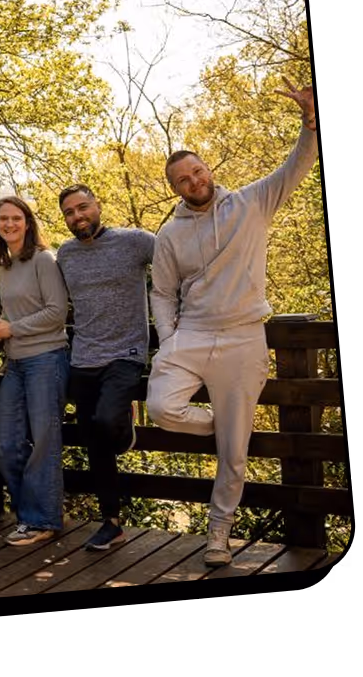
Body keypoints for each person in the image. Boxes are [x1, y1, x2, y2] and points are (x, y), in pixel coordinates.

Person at [147, 79, 318, 566]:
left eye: (197, 171)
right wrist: (169, 339)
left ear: (207, 170)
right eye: (183, 179)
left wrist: (309, 122)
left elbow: (297, 166)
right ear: (174, 188)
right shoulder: (169, 235)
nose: (193, 181)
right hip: (192, 337)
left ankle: (218, 533)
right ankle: (226, 426)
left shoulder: (251, 203)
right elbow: (160, 292)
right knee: (161, 407)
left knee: (234, 457)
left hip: (245, 337)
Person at [55, 186, 155, 551]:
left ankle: (122, 421)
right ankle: (111, 522)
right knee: (93, 443)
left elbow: (178, 263)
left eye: (83, 207)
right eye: (69, 212)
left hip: (125, 353)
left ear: (97, 205)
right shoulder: (64, 254)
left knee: (104, 422)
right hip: (83, 357)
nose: (78, 216)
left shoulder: (136, 242)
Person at [0, 196, 70, 546]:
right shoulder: (4, 264)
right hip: (16, 362)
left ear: (28, 222)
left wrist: (12, 328)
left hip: (46, 359)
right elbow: (18, 316)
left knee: (44, 442)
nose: (9, 224)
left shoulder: (42, 259)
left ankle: (43, 519)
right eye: (3, 219)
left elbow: (57, 311)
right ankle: (28, 516)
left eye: (15, 218)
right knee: (5, 444)